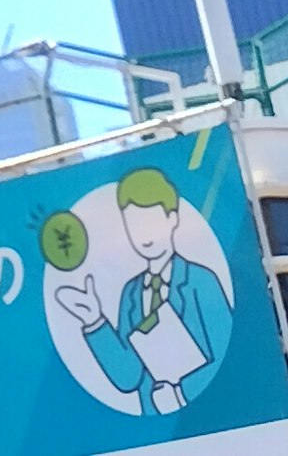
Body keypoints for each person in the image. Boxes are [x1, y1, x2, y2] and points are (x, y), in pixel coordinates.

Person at [53, 168, 231, 416]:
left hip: (216, 419)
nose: (144, 236)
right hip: (157, 430)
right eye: (134, 225)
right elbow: (128, 377)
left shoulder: (200, 281)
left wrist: (180, 393)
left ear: (172, 219)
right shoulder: (131, 293)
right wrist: (95, 322)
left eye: (151, 223)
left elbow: (228, 353)